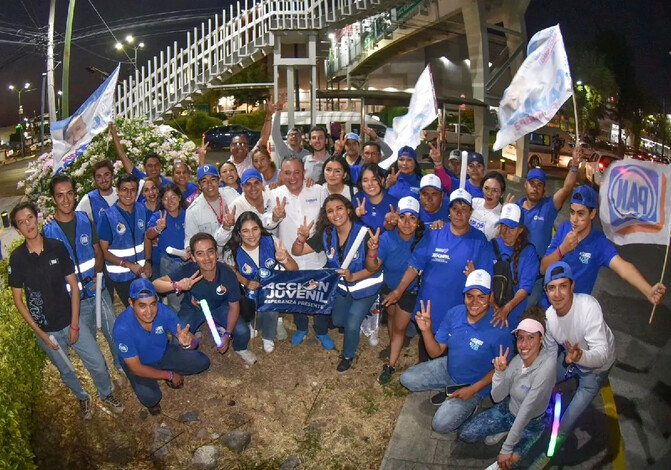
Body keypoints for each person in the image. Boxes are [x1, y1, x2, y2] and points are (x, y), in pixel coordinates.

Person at [9, 201, 123, 419]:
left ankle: (106, 393)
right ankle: (82, 398)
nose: (28, 225)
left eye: (30, 218)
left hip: (70, 320)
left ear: (37, 218)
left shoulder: (56, 247)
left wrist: (74, 323)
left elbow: (73, 285)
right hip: (45, 330)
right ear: (18, 229)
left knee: (97, 362)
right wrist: (41, 333)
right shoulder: (17, 259)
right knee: (67, 371)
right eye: (21, 223)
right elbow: (18, 301)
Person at [399, 270, 513, 433]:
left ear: (491, 297)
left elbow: (500, 369)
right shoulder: (454, 313)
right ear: (464, 295)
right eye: (470, 296)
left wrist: (473, 390)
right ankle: (448, 388)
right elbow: (435, 353)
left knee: (440, 425)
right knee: (406, 379)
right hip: (449, 367)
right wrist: (426, 331)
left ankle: (471, 405)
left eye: (481, 296)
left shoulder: (500, 329)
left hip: (473, 385)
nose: (474, 302)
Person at [383, 189, 495, 349]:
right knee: (425, 348)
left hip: (459, 308)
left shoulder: (479, 240)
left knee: (452, 353)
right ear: (448, 211)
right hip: (430, 306)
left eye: (464, 209)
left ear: (471, 212)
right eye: (455, 209)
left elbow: (486, 277)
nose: (459, 213)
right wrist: (398, 291)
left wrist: (474, 276)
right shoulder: (435, 233)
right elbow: (415, 266)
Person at [292, 194, 383, 372]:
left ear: (348, 210)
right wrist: (301, 238)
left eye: (339, 208)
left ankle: (348, 356)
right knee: (338, 320)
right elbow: (297, 251)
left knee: (351, 324)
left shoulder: (365, 233)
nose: (336, 214)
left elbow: (374, 268)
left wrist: (354, 276)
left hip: (365, 286)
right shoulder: (326, 235)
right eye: (330, 211)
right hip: (343, 287)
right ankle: (362, 316)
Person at [459, 306, 556, 470]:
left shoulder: (547, 366)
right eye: (520, 338)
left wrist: (506, 449)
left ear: (541, 339)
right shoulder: (518, 361)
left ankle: (525, 439)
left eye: (531, 337)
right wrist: (499, 373)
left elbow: (526, 410)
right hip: (508, 410)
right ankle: (507, 430)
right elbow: (497, 398)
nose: (524, 344)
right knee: (465, 434)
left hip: (531, 423)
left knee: (509, 463)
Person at [44, 174, 122, 373]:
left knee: (113, 332)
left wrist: (97, 276)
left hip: (97, 291)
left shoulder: (84, 219)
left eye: (69, 193)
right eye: (60, 195)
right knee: (91, 347)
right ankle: (105, 382)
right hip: (73, 301)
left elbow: (98, 251)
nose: (66, 200)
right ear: (53, 199)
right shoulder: (47, 230)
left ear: (75, 194)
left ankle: (122, 368)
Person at [540, 185, 666, 306]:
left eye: (581, 213)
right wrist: (563, 249)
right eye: (572, 212)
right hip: (548, 304)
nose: (574, 219)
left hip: (575, 311)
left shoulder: (599, 243)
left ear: (592, 214)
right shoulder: (564, 229)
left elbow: (623, 267)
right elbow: (543, 268)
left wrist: (648, 291)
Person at [153, 232, 257, 365]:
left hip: (220, 307)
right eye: (200, 253)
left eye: (210, 252)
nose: (207, 258)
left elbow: (234, 306)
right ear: (193, 257)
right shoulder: (188, 269)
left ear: (217, 253)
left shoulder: (227, 273)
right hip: (193, 308)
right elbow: (156, 284)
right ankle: (193, 338)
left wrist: (228, 335)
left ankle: (240, 349)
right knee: (177, 341)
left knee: (242, 332)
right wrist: (176, 285)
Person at [542, 261, 616, 446]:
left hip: (596, 368)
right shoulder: (549, 317)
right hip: (570, 357)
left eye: (563, 286)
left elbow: (602, 355)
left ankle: (558, 439)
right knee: (545, 378)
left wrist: (580, 357)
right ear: (546, 291)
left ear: (572, 286)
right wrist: (547, 379)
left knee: (564, 424)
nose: (557, 294)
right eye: (552, 288)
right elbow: (550, 353)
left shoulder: (589, 307)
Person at [113, 278, 210, 415]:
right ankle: (157, 378)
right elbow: (136, 368)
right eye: (142, 306)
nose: (149, 311)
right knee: (151, 398)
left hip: (162, 353)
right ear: (131, 303)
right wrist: (169, 375)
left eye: (153, 304)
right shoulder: (122, 328)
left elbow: (193, 342)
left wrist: (189, 343)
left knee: (202, 362)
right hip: (139, 363)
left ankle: (163, 370)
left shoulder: (163, 311)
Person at [267, 157, 331, 346]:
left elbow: (329, 218)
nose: (292, 177)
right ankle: (302, 327)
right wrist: (274, 217)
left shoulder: (318, 190)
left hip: (316, 254)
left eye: (297, 172)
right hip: (290, 256)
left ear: (304, 173)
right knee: (297, 293)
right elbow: (267, 223)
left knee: (321, 294)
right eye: (287, 173)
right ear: (281, 174)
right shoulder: (273, 194)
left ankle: (321, 331)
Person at [365, 197, 425, 385]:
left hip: (409, 291)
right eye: (402, 217)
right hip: (388, 287)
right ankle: (393, 347)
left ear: (418, 222)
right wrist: (372, 251)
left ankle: (390, 365)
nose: (407, 223)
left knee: (399, 328)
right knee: (391, 319)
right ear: (396, 219)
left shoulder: (424, 239)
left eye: (412, 218)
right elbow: (373, 266)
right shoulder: (386, 238)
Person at [224, 212, 299, 353]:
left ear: (261, 229)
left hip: (272, 290)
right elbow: (230, 270)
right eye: (245, 231)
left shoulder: (272, 241)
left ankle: (268, 336)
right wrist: (246, 282)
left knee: (270, 309)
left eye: (255, 229)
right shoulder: (232, 249)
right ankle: (254, 325)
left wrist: (284, 260)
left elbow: (294, 269)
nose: (251, 235)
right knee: (249, 306)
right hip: (248, 291)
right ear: (239, 232)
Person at [516, 150, 580, 305]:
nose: (535, 188)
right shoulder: (515, 207)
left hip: (537, 276)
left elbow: (566, 189)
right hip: (515, 272)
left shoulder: (548, 207)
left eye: (540, 185)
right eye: (532, 183)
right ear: (526, 185)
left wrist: (574, 167)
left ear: (544, 189)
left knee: (528, 315)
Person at [97, 173, 149, 306]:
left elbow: (147, 238)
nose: (129, 194)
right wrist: (127, 264)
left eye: (133, 190)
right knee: (133, 309)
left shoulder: (142, 209)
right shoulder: (108, 217)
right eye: (125, 190)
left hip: (141, 271)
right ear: (118, 191)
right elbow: (104, 251)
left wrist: (148, 261)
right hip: (121, 275)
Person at [491, 204, 539, 329]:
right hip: (489, 313)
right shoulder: (491, 245)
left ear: (520, 229)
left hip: (513, 317)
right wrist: (493, 305)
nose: (506, 231)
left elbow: (525, 288)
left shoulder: (529, 252)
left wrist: (506, 309)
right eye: (503, 226)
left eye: (511, 228)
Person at [146, 183, 188, 311]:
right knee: (175, 300)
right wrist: (158, 228)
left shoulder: (188, 214)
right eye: (165, 198)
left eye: (173, 197)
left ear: (180, 198)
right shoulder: (158, 216)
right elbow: (148, 235)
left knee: (189, 298)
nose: (170, 202)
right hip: (168, 263)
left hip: (188, 261)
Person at [184, 164, 239, 250]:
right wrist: (188, 248)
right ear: (199, 185)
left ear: (219, 181)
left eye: (213, 180)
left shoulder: (231, 194)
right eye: (204, 181)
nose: (209, 184)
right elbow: (190, 239)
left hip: (237, 249)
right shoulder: (193, 211)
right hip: (213, 258)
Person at [354, 163, 398, 232]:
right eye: (365, 180)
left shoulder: (394, 204)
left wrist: (390, 225)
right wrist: (355, 216)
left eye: (374, 179)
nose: (370, 184)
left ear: (383, 180)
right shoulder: (357, 200)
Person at [76, 159, 118, 226]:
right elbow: (75, 221)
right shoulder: (89, 199)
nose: (103, 180)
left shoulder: (122, 195)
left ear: (112, 175)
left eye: (106, 175)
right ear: (95, 179)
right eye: (99, 176)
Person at [270, 97, 311, 161]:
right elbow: (275, 133)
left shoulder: (307, 155)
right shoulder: (283, 149)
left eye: (297, 135)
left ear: (301, 138)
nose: (294, 137)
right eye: (291, 135)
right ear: (287, 139)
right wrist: (278, 110)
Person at [470, 171, 507, 241]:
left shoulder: (501, 216)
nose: (489, 193)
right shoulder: (474, 202)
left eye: (495, 190)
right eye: (486, 188)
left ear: (501, 193)